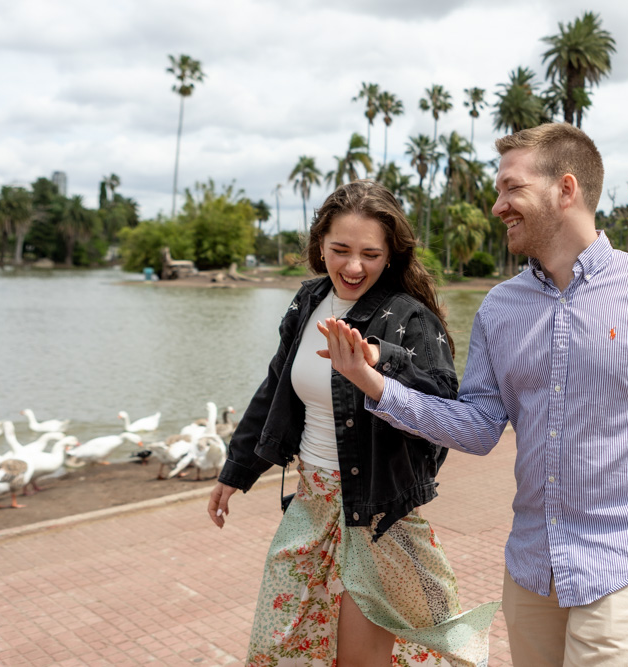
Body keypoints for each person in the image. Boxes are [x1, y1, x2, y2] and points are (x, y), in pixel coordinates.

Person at [319, 123, 628, 666]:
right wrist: (377, 386)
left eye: (512, 188)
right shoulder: (500, 308)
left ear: (566, 189)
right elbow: (480, 426)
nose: (496, 204)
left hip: (625, 559)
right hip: (532, 565)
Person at [208, 180, 499, 667]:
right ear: (319, 243)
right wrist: (235, 472)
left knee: (360, 661)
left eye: (370, 253)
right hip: (310, 505)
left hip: (378, 517)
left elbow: (444, 408)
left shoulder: (411, 318)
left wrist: (377, 364)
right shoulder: (307, 302)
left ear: (391, 256)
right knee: (281, 651)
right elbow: (276, 388)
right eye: (340, 249)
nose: (353, 266)